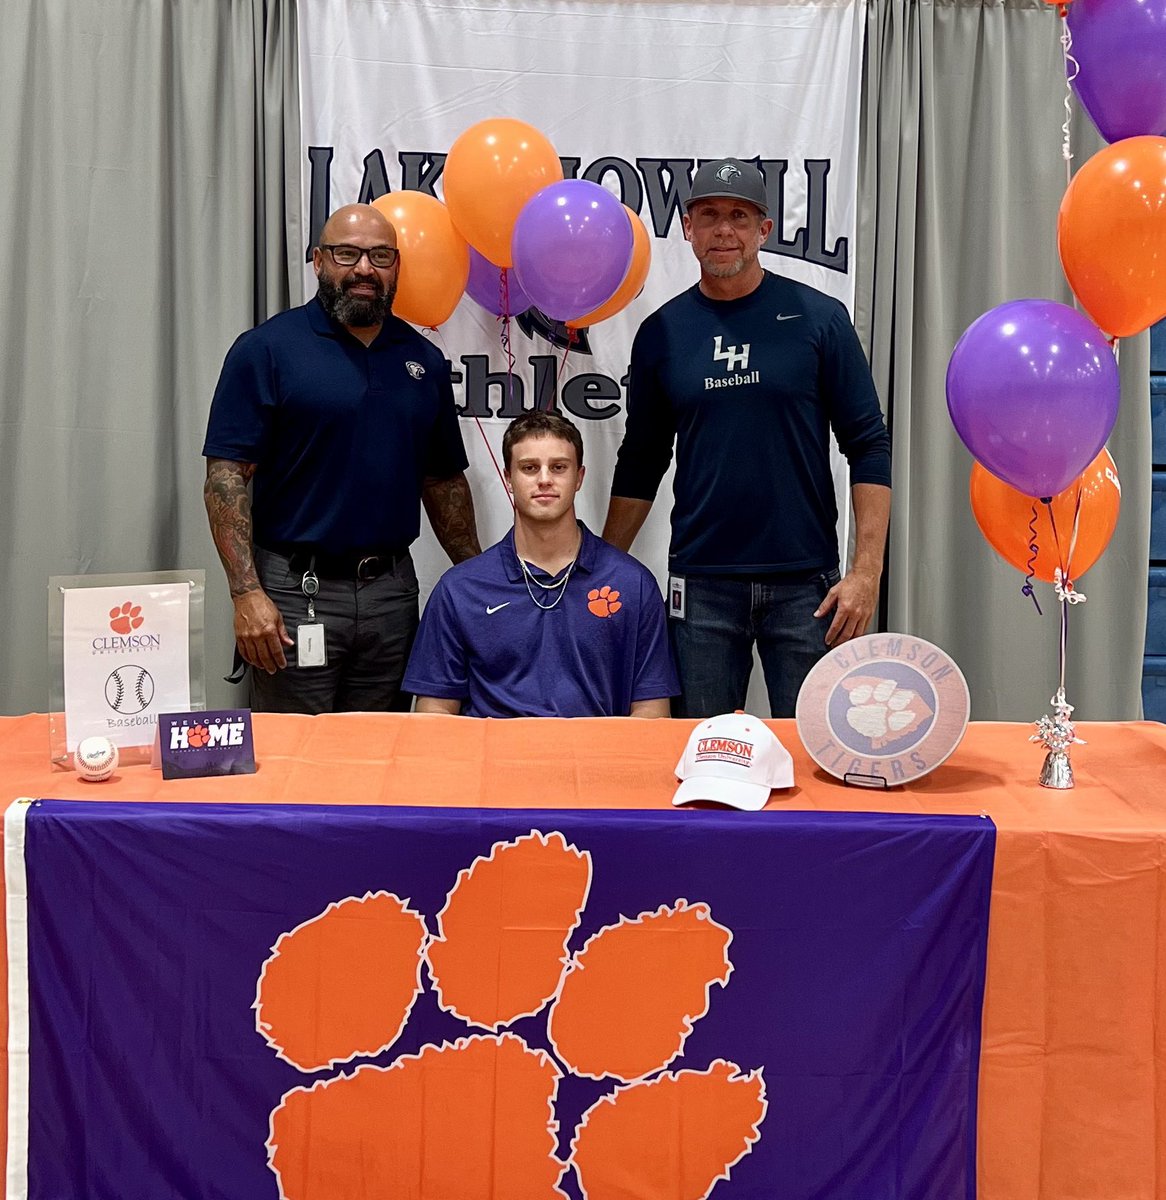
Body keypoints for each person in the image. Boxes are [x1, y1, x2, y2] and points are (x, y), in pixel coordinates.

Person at [602, 157, 891, 719]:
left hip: (808, 587)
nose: (724, 230)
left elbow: (868, 445)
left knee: (813, 752)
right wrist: (606, 563)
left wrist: (866, 571)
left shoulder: (820, 319)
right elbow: (641, 459)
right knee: (704, 754)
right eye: (709, 215)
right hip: (702, 587)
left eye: (739, 216)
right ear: (688, 228)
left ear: (764, 229)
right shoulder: (662, 333)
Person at [202, 203, 480, 713]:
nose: (364, 269)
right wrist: (245, 593)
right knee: (293, 750)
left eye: (380, 256)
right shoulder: (266, 350)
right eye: (347, 254)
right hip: (292, 593)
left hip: (392, 596)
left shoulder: (424, 361)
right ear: (318, 261)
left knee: (384, 749)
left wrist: (479, 580)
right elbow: (226, 476)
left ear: (397, 266)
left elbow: (443, 481)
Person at [403, 411, 677, 718]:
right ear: (509, 478)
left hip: (594, 748)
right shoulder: (460, 589)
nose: (544, 479)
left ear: (579, 477)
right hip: (494, 749)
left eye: (559, 467)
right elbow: (435, 712)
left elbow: (652, 711)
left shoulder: (632, 584)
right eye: (529, 468)